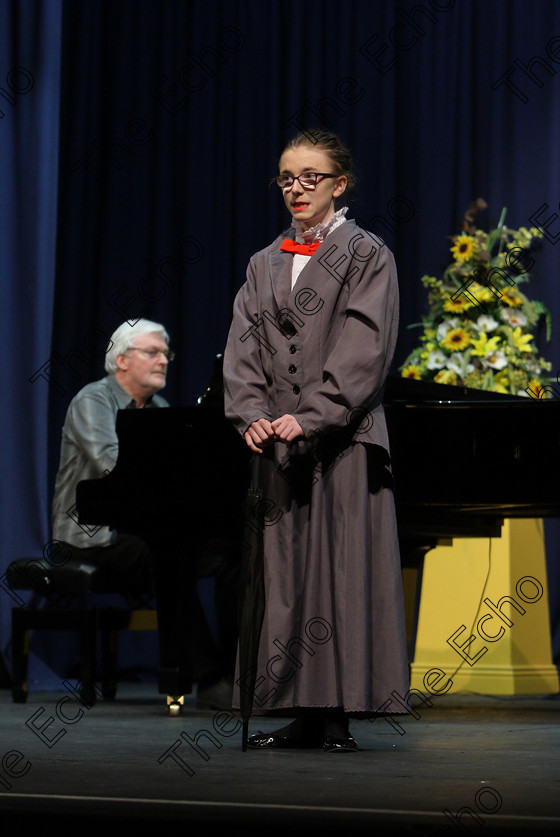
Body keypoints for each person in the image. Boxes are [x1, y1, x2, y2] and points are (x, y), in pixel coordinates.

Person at [222, 131, 410, 752]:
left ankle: (336, 714)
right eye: (286, 178)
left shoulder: (365, 254)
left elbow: (366, 345)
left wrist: (314, 413)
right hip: (278, 445)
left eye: (309, 177)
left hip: (342, 442)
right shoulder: (263, 261)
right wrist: (249, 413)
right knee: (284, 578)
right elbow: (243, 346)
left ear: (339, 184)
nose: (296, 188)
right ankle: (295, 708)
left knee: (341, 574)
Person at [52, 318, 232, 709]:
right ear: (121, 360)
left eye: (166, 353)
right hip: (89, 535)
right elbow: (110, 465)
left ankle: (235, 669)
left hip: (138, 529)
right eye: (153, 352)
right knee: (163, 556)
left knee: (224, 555)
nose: (164, 360)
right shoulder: (92, 400)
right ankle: (205, 675)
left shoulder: (160, 409)